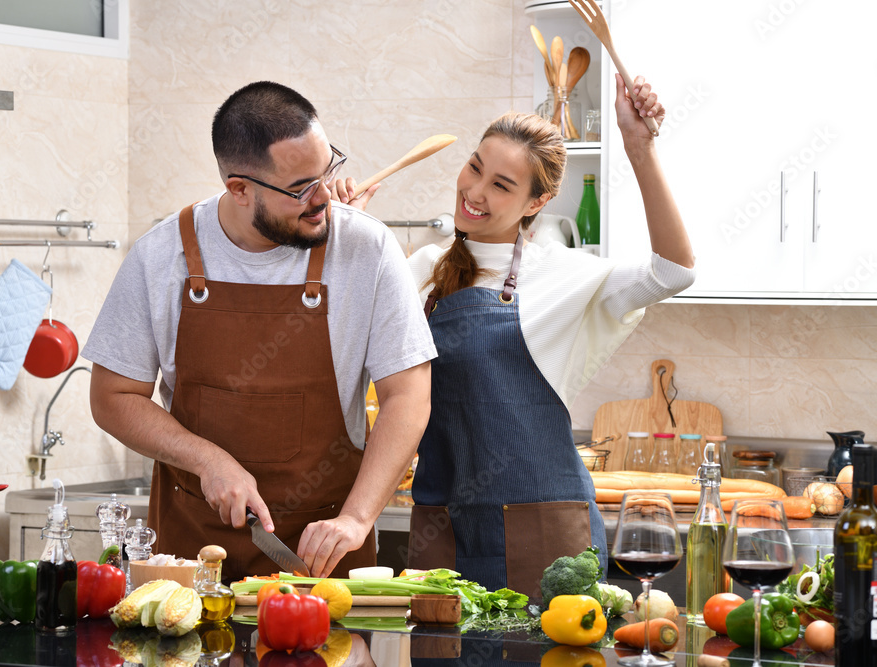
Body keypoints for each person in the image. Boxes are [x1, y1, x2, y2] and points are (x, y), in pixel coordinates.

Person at [335, 75, 695, 597]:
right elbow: (339, 344)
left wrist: (639, 147)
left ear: (535, 202)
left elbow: (673, 271)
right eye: (475, 167)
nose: (474, 192)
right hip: (445, 528)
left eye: (502, 185)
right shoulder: (418, 269)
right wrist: (350, 235)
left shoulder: (568, 274)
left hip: (548, 535)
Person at [83, 81, 436, 581]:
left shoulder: (367, 249)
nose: (323, 200)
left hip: (323, 558)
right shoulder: (161, 256)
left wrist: (356, 519)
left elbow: (408, 397)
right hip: (189, 562)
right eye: (299, 189)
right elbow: (112, 396)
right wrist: (206, 459)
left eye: (326, 170)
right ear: (239, 189)